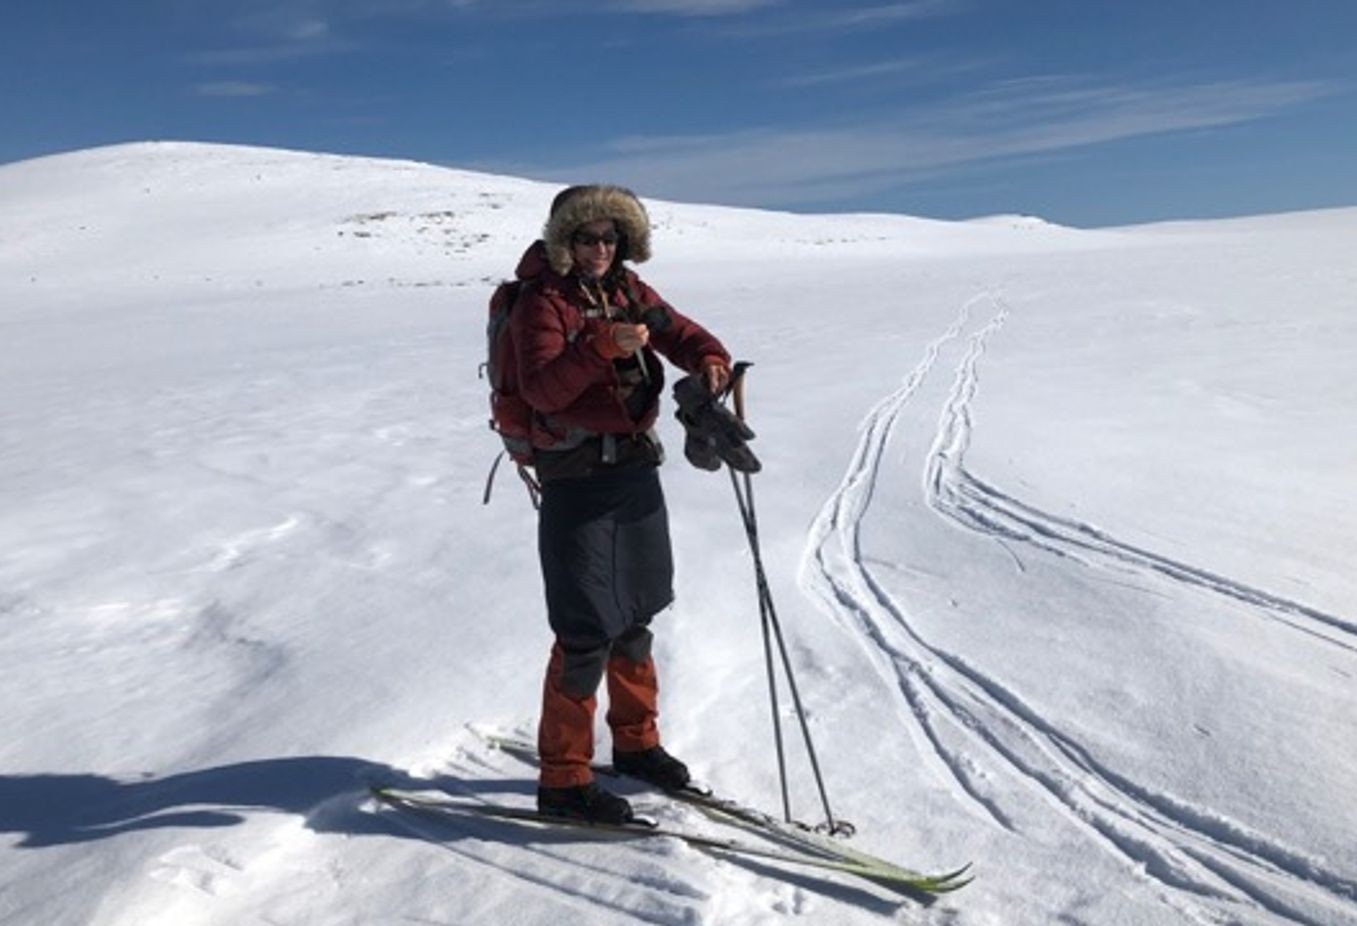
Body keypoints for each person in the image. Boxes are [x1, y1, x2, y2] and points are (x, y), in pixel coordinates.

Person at [509, 185, 732, 824]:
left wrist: (709, 357)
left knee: (635, 614)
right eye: (587, 238)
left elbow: (679, 332)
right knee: (584, 629)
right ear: (565, 242)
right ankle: (563, 780)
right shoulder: (541, 304)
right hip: (575, 477)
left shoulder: (630, 290)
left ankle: (636, 745)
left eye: (611, 238)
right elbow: (543, 389)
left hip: (634, 466)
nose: (600, 249)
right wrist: (598, 348)